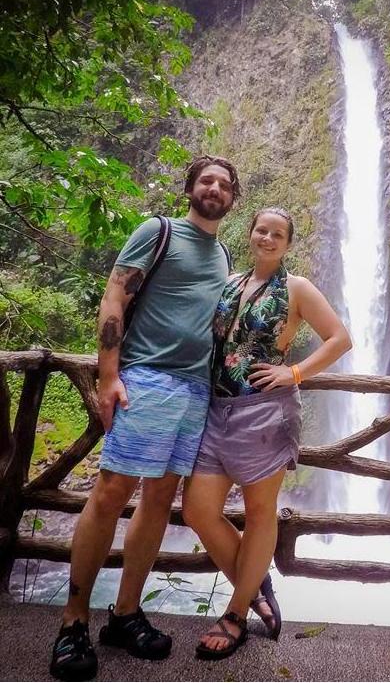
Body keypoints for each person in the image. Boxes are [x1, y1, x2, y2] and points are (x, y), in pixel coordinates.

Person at [49, 156, 245, 681]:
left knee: (159, 498)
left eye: (225, 184)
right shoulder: (158, 232)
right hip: (148, 381)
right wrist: (109, 375)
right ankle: (72, 624)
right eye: (207, 180)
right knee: (112, 493)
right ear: (190, 188)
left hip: (195, 390)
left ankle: (125, 613)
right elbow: (116, 295)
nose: (215, 188)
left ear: (233, 199)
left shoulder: (224, 253)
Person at [182, 207, 352, 660]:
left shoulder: (296, 288)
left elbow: (339, 338)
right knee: (198, 510)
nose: (269, 238)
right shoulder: (232, 282)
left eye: (278, 234)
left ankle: (236, 615)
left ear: (288, 244)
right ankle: (255, 581)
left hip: (265, 414)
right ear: (251, 234)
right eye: (262, 230)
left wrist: (294, 372)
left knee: (260, 513)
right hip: (216, 410)